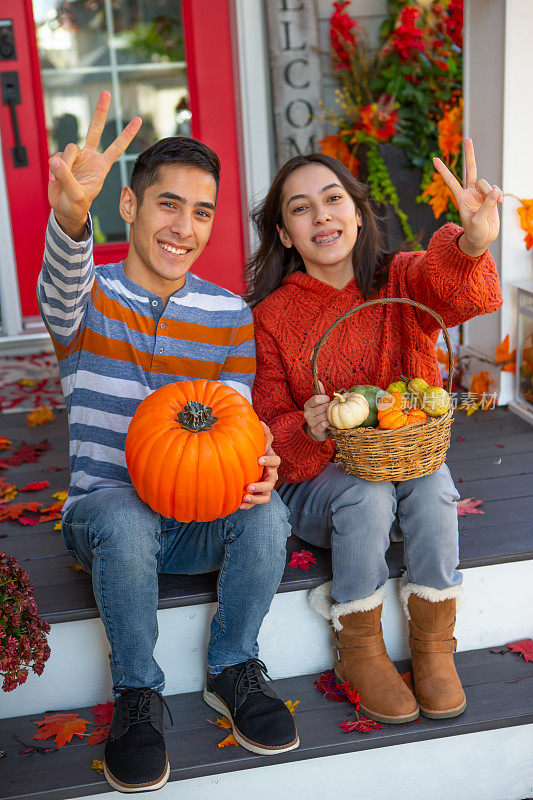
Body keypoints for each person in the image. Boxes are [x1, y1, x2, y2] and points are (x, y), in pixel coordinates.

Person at [38, 90, 298, 794]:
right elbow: (61, 280)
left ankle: (233, 666)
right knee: (122, 519)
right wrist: (70, 214)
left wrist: (261, 464)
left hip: (196, 518)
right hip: (106, 519)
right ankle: (137, 695)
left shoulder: (226, 313)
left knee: (268, 514)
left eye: (202, 211)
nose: (184, 226)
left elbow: (237, 425)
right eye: (167, 204)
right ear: (129, 207)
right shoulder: (90, 298)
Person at [248, 141, 503, 725]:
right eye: (301, 208)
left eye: (333, 199)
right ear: (285, 234)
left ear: (359, 214)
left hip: (405, 470)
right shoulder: (271, 317)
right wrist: (305, 425)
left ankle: (435, 645)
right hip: (323, 487)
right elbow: (268, 432)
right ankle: (358, 648)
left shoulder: (401, 278)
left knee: (434, 486)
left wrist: (472, 242)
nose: (322, 216)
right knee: (365, 493)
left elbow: (462, 292)